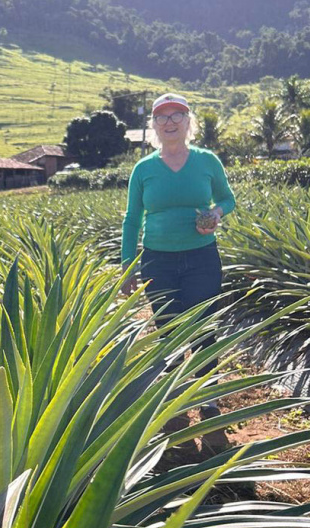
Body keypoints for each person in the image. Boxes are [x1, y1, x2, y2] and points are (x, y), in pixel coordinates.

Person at [120, 93, 235, 455]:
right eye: (162, 117)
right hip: (159, 260)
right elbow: (132, 219)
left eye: (177, 116)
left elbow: (228, 199)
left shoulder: (206, 161)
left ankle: (210, 403)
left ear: (189, 122)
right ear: (153, 126)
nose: (170, 122)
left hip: (202, 257)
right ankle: (174, 404)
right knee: (168, 330)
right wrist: (127, 265)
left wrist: (216, 214)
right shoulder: (144, 169)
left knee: (204, 327)